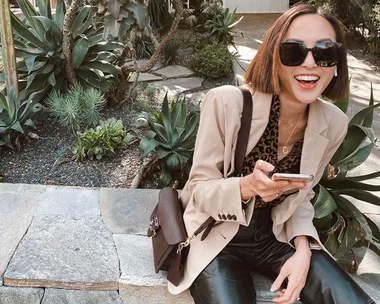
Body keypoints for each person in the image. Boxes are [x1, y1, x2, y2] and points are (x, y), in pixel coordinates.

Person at [168, 3, 376, 304]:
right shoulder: (228, 103)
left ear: (336, 65)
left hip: (276, 237)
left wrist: (303, 248)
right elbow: (198, 190)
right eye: (293, 51)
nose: (310, 64)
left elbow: (303, 195)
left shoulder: (333, 122)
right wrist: (246, 186)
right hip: (217, 236)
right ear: (273, 58)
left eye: (324, 52)